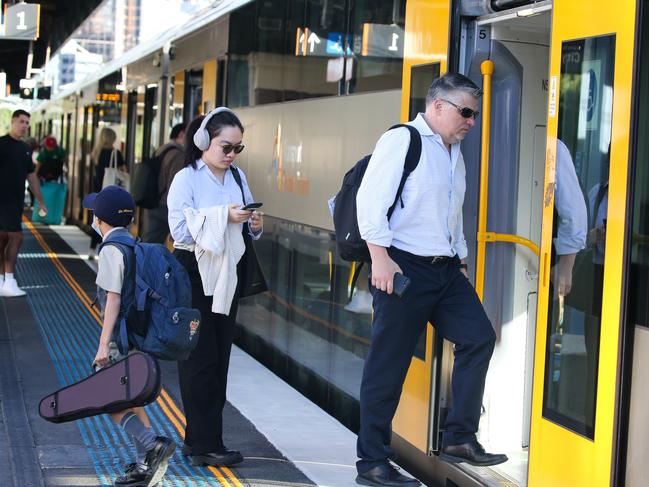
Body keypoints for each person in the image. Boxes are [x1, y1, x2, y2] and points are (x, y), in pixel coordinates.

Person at [354, 73, 507, 487]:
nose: (471, 121)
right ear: (438, 106)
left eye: (474, 114)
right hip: (402, 265)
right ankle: (372, 461)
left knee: (478, 337)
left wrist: (458, 255)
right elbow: (370, 202)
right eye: (466, 112)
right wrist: (380, 258)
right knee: (389, 364)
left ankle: (459, 435)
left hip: (444, 269)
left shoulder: (452, 151)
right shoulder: (403, 140)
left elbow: (449, 211)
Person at [167, 107, 263, 467]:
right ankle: (204, 443)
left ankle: (205, 440)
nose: (231, 155)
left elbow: (249, 230)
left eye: (238, 148)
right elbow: (179, 232)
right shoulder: (186, 178)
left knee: (220, 356)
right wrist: (224, 216)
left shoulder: (237, 177)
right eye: (226, 146)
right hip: (193, 271)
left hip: (228, 273)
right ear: (204, 141)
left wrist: (253, 223)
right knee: (199, 358)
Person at [82, 185, 175, 486]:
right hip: (138, 335)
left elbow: (113, 299)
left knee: (108, 400)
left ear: (101, 218)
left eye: (95, 213)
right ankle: (146, 468)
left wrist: (102, 346)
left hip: (120, 340)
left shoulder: (110, 250)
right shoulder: (134, 244)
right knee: (132, 401)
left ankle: (152, 446)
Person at [0, 110, 48, 297]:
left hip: (15, 201)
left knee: (5, 238)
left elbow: (31, 176)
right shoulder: (1, 144)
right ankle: (9, 280)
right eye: (21, 121)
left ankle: (4, 280)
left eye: (27, 122)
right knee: (15, 237)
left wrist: (41, 202)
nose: (25, 125)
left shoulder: (24, 148)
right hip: (3, 201)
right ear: (12, 122)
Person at [141, 123, 186, 244]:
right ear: (182, 135)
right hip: (165, 206)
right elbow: (175, 184)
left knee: (151, 242)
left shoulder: (162, 149)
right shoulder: (179, 155)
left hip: (154, 201)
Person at [90, 127, 128, 253]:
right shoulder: (115, 153)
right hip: (111, 193)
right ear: (113, 138)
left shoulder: (96, 152)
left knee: (97, 219)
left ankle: (92, 248)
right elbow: (124, 171)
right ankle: (105, 247)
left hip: (98, 190)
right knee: (110, 221)